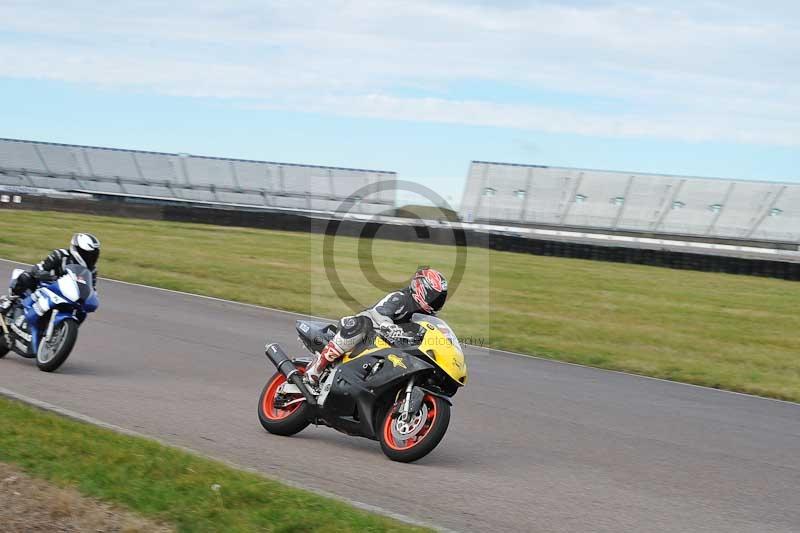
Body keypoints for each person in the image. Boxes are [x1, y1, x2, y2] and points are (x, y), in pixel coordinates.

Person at [305, 267, 448, 384]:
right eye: (434, 296)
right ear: (421, 289)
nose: (437, 302)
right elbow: (379, 313)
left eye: (440, 298)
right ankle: (317, 367)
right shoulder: (400, 297)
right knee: (362, 323)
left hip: (390, 347)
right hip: (367, 333)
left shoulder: (426, 317)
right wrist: (389, 326)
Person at [1, 233, 100, 311]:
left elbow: (91, 289)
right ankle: (9, 302)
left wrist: (91, 298)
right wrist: (44, 274)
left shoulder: (92, 270)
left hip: (69, 296)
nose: (91, 258)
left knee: (81, 311)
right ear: (76, 249)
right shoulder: (60, 255)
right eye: (87, 254)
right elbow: (38, 268)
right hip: (47, 287)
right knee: (26, 277)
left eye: (93, 255)